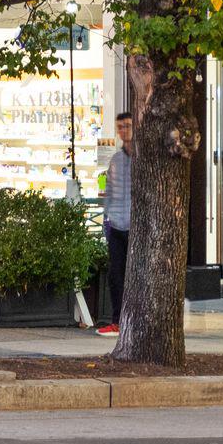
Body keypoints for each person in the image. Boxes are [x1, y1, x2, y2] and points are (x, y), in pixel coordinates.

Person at [98, 112, 133, 337]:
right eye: (120, 127)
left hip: (135, 225)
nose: (123, 131)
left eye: (127, 126)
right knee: (115, 274)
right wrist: (106, 219)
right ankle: (117, 320)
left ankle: (131, 320)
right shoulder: (116, 160)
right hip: (116, 224)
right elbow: (108, 191)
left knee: (133, 274)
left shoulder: (143, 158)